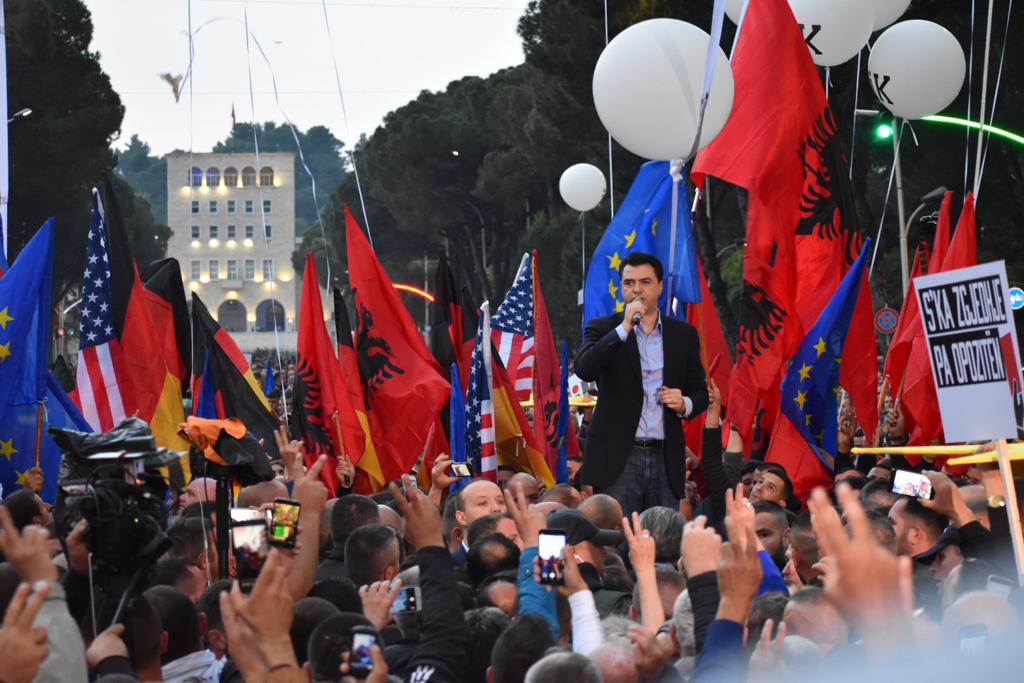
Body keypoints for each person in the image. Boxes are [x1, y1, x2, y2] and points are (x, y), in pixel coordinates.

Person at [574, 252, 708, 517]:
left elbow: (701, 392)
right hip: (618, 458)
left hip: (664, 456)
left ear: (660, 286)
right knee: (618, 539)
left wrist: (685, 403)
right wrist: (624, 328)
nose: (636, 289)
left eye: (645, 282)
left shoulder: (683, 335)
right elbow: (584, 369)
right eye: (629, 282)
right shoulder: (603, 328)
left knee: (662, 539)